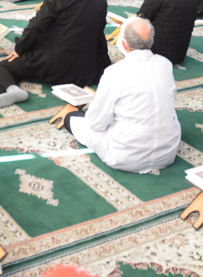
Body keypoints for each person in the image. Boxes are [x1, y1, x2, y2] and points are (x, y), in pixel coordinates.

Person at [67, 17, 181, 174]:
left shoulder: (115, 72)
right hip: (167, 154)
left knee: (73, 118)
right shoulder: (165, 64)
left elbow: (96, 124)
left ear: (124, 44)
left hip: (126, 155)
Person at [0, 0, 110, 107]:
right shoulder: (100, 0)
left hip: (52, 64)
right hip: (83, 70)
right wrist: (105, 65)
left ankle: (13, 90)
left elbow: (36, 26)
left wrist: (20, 49)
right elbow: (99, 35)